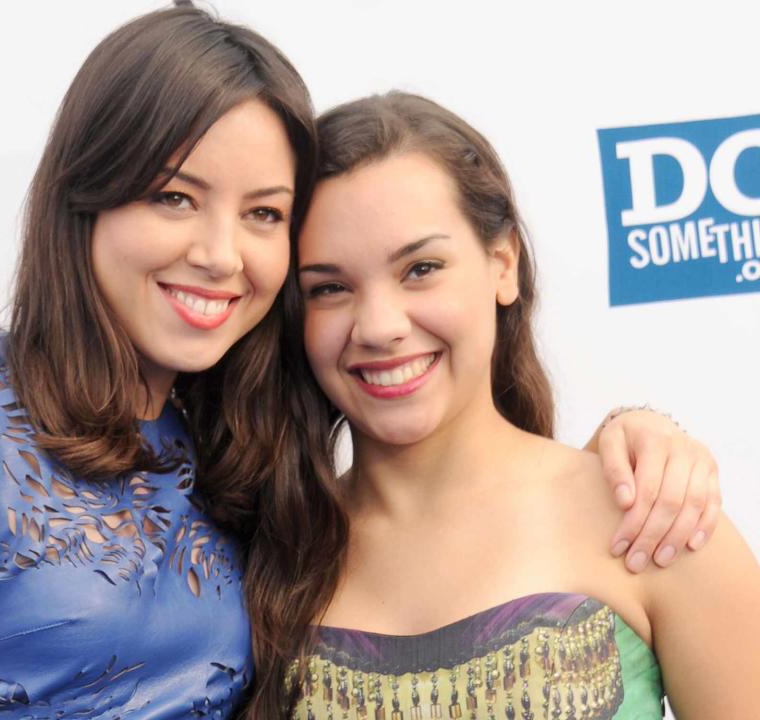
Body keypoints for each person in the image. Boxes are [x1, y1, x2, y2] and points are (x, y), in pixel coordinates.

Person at [0, 6, 722, 719]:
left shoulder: (239, 460)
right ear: (85, 194)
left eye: (262, 214)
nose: (220, 254)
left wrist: (641, 432)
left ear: (503, 263)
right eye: (175, 196)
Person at [258, 92, 760, 719]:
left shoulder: (654, 517)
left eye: (421, 268)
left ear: (503, 264)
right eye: (330, 288)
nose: (380, 325)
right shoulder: (265, 558)